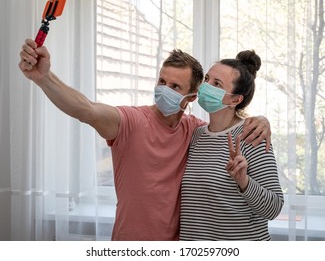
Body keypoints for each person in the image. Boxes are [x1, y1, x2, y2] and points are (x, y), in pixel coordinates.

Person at [19, 39, 271, 241]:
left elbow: (226, 128)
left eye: (175, 86)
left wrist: (261, 120)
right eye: (162, 81)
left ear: (192, 96)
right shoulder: (130, 121)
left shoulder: (195, 131)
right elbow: (86, 109)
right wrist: (44, 78)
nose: (164, 89)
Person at [179, 50, 284, 241]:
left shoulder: (251, 135)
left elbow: (274, 207)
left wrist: (243, 182)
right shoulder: (196, 135)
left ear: (235, 99)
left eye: (216, 84)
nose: (205, 86)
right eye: (207, 79)